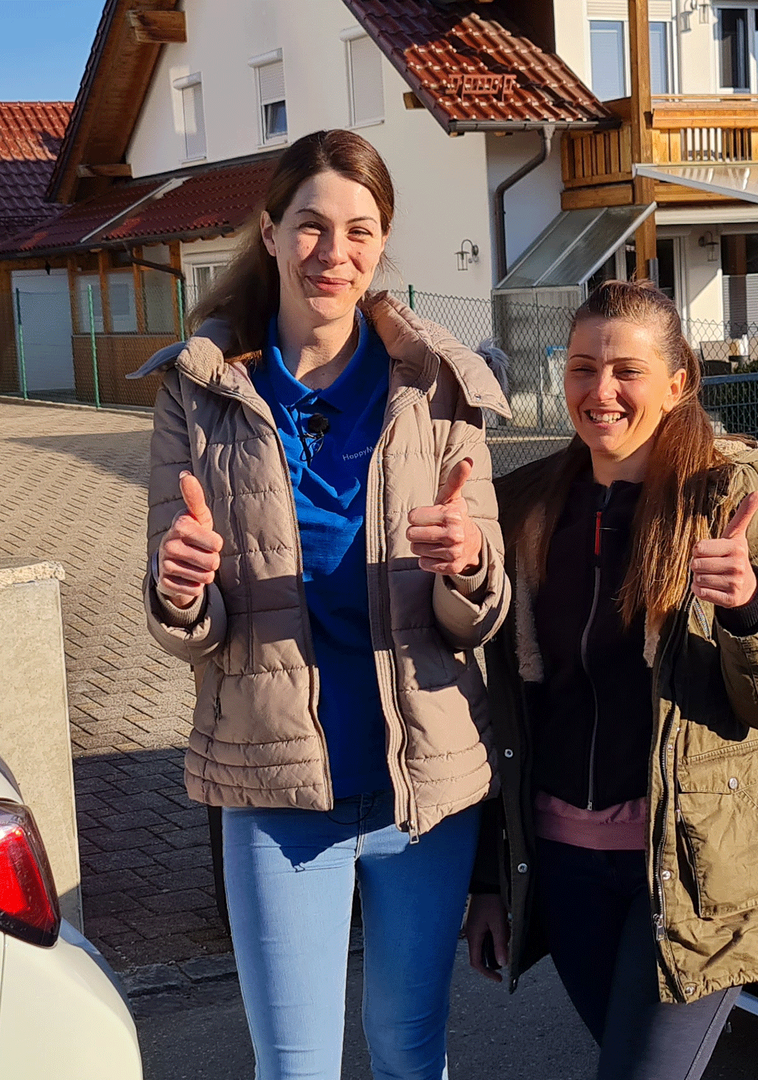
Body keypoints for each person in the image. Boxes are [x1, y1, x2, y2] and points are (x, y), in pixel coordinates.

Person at [142, 129, 511, 1080]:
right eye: (310, 225)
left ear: (381, 244)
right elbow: (188, 627)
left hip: (423, 786)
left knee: (408, 1051)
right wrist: (181, 590)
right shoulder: (199, 393)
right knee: (295, 1066)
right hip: (274, 788)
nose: (333, 252)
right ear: (270, 232)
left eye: (359, 230)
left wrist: (467, 565)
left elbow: (481, 615)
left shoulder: (439, 388)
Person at [463, 280, 758, 1080]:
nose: (602, 391)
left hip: (686, 869)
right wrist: (490, 880)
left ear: (677, 382)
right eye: (583, 368)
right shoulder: (524, 507)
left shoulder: (725, 500)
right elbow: (506, 713)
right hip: (563, 867)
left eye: (627, 370)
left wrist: (749, 607)